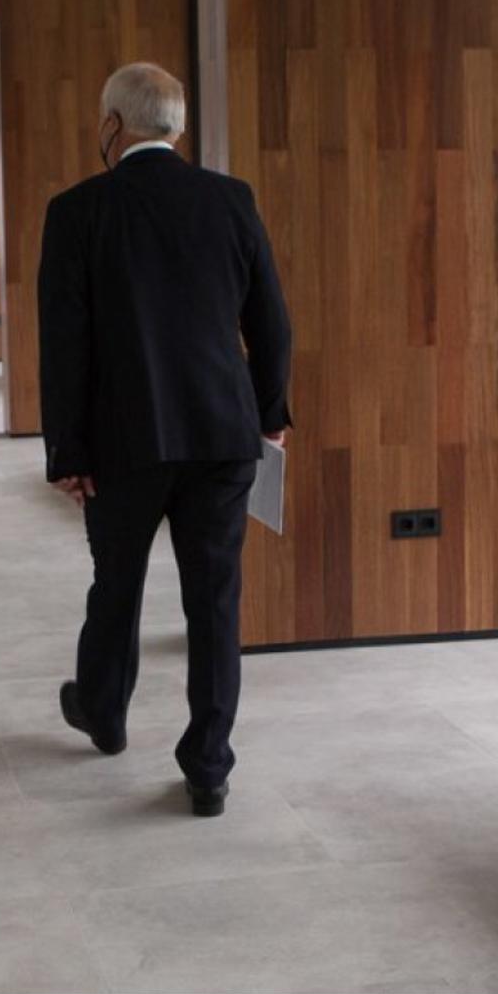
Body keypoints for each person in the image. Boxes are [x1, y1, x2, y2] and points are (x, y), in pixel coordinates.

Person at [37, 61, 291, 817]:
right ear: (176, 126)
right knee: (214, 602)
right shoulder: (231, 199)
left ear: (113, 125)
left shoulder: (78, 211)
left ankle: (104, 714)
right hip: (222, 434)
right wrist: (270, 414)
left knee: (116, 582)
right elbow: (271, 321)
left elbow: (64, 342)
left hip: (122, 441)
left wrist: (68, 451)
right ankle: (208, 768)